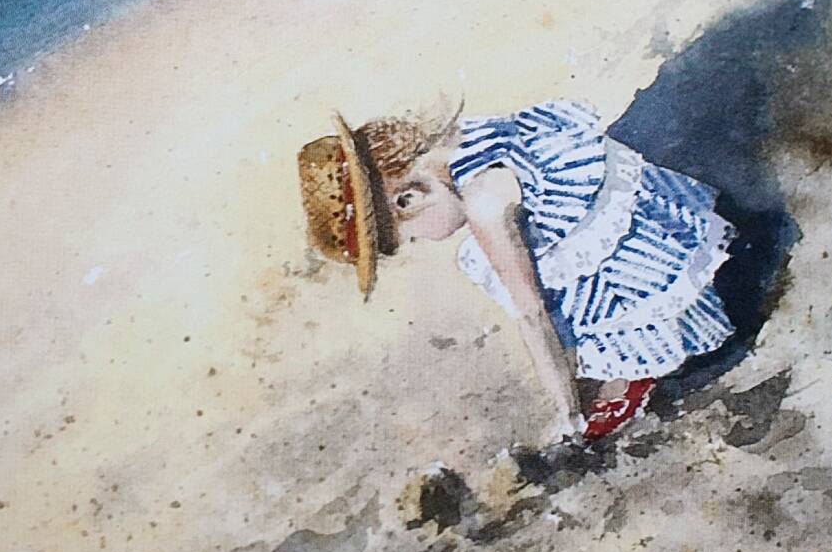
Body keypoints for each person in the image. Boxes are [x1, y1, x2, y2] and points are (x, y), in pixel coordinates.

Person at [296, 98, 735, 447]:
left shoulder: (483, 201)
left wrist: (568, 415)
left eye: (406, 237)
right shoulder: (464, 139)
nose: (418, 243)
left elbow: (531, 314)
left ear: (408, 199)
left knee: (523, 281)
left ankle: (631, 370)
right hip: (662, 218)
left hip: (644, 267)